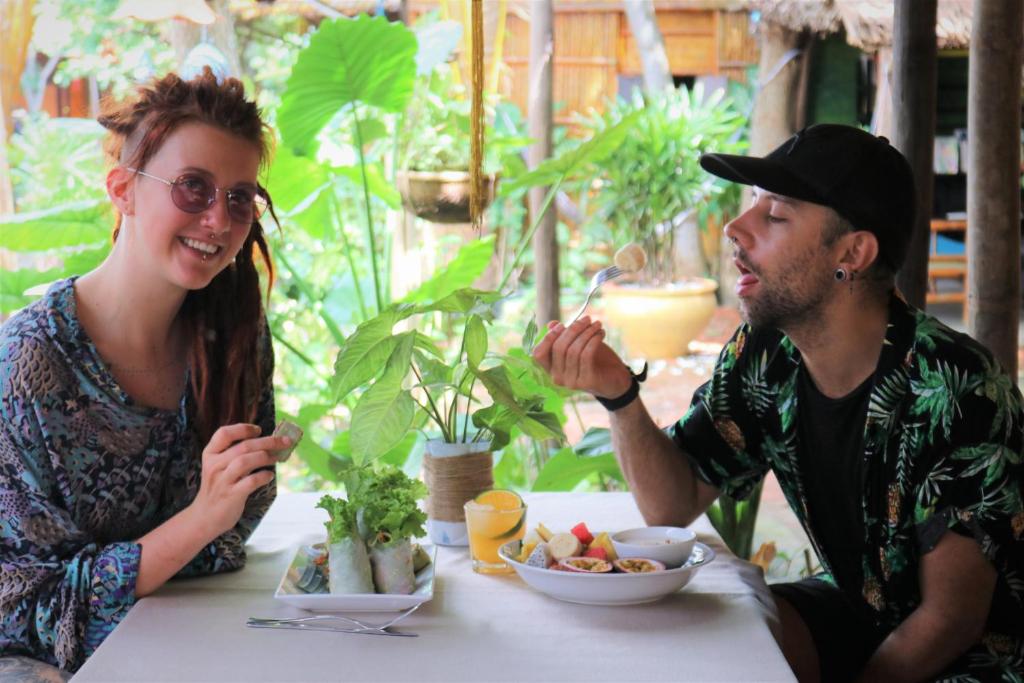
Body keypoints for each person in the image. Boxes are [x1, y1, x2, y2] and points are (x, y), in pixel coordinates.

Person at [533, 124, 1023, 682]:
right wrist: (617, 393)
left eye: (775, 215)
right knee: (701, 640)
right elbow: (672, 504)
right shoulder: (766, 355)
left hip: (979, 659)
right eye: (752, 204)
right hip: (862, 612)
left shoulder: (957, 388)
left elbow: (951, 620)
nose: (735, 228)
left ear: (853, 252)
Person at [0, 68, 291, 675]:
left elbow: (234, 528)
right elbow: (24, 608)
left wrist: (239, 483)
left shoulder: (233, 335)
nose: (219, 221)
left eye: (239, 197)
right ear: (123, 189)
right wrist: (200, 520)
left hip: (190, 643)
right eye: (193, 187)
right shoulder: (28, 366)